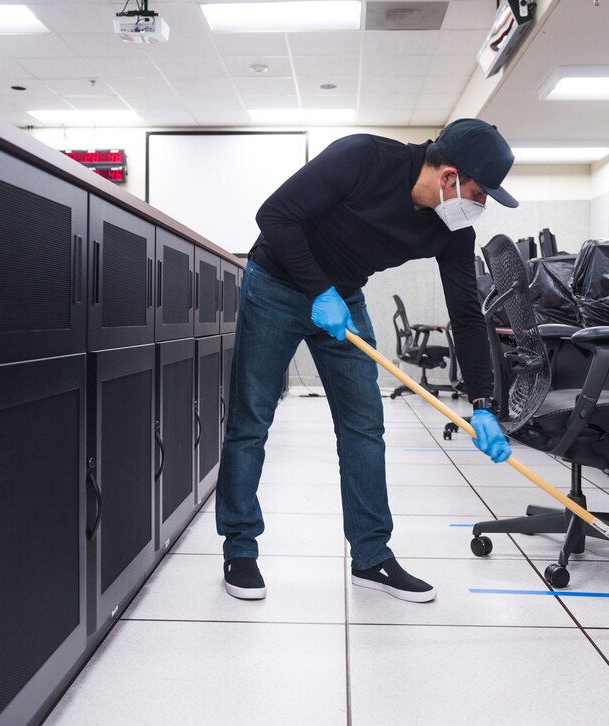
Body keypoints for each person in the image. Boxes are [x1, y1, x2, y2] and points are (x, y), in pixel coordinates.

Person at [216, 118, 517, 603]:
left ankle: (372, 557)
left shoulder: (451, 228)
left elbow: (465, 313)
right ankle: (240, 547)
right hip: (275, 283)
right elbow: (273, 215)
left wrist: (484, 403)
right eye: (480, 193)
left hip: (343, 297)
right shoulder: (363, 158)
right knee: (251, 419)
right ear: (449, 178)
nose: (479, 206)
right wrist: (318, 292)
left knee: (363, 425)